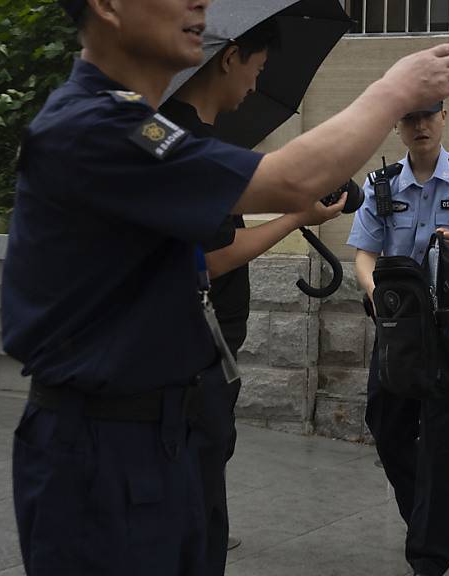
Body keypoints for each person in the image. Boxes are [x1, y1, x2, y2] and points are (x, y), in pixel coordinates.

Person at [3, 0, 449, 573]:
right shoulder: (92, 126)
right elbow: (290, 179)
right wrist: (394, 91)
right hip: (101, 449)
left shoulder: (138, 121)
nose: (199, 4)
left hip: (154, 435)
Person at [159, 17, 347, 573]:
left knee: (200, 483)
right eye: (256, 70)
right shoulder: (185, 143)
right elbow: (210, 261)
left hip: (198, 349)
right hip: (192, 354)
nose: (253, 85)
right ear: (229, 57)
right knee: (196, 496)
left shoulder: (180, 136)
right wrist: (296, 217)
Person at [348, 101, 449, 576]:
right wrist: (376, 292)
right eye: (409, 118)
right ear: (397, 125)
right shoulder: (380, 186)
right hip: (398, 330)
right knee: (386, 424)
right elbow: (363, 254)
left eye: (428, 116)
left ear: (445, 117)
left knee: (439, 443)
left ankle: (429, 557)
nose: (419, 126)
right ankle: (425, 516)